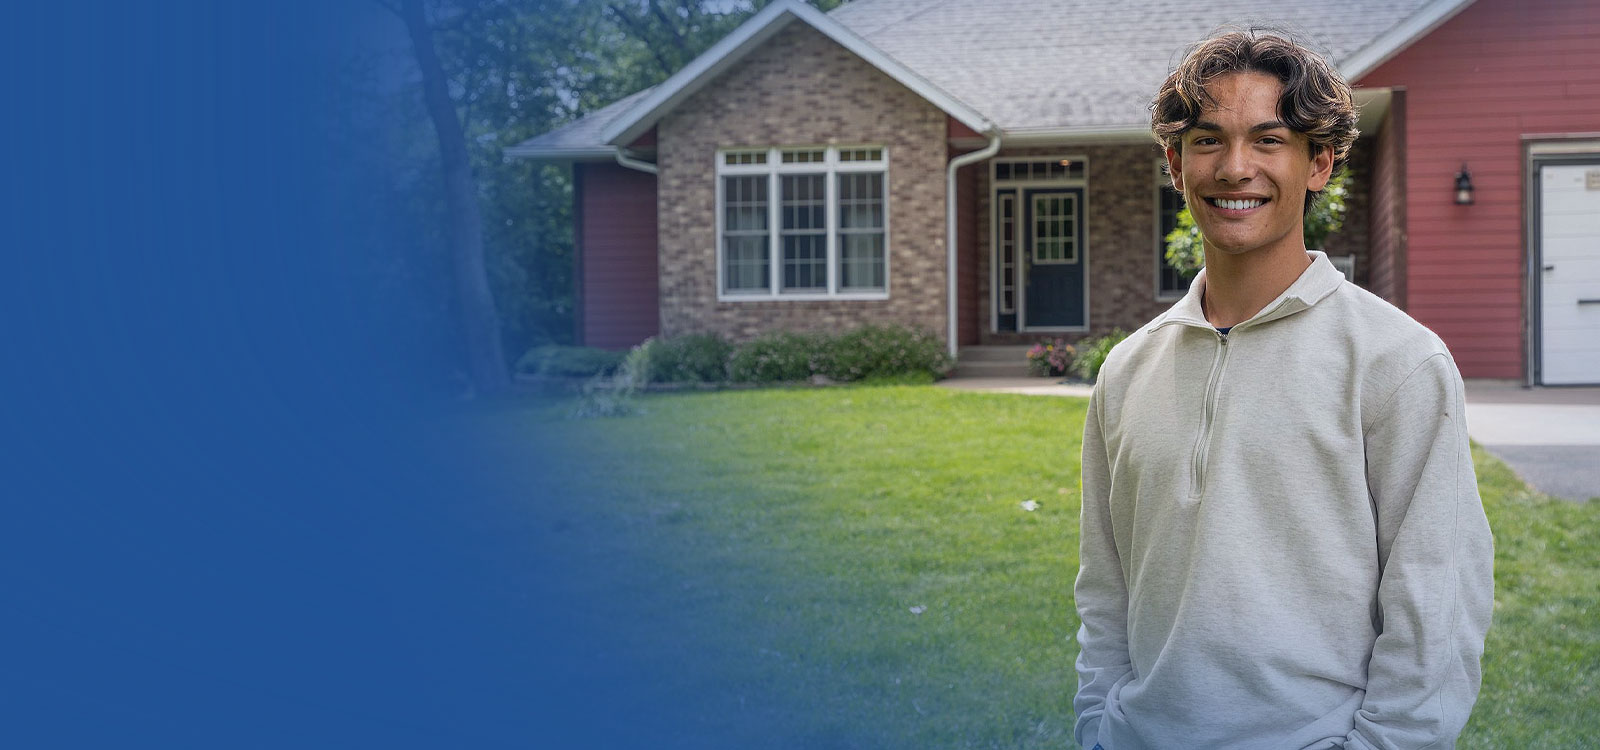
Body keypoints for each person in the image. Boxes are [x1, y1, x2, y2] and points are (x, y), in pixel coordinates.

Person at [1072, 30, 1495, 749]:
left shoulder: (1398, 362)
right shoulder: (1127, 370)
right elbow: (1105, 587)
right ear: (1176, 164)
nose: (1235, 168)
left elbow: (1437, 602)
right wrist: (1097, 725)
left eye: (1268, 140)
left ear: (1318, 162)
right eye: (1207, 141)